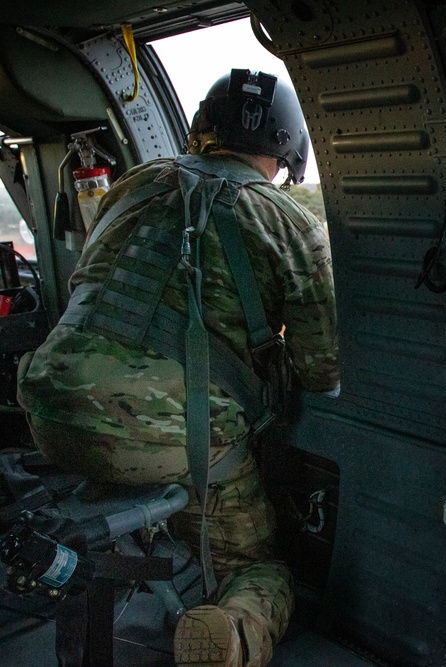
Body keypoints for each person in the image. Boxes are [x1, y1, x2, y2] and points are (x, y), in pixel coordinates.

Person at [17, 69, 338, 667]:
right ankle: (233, 631)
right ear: (288, 149)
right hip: (171, 439)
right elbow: (320, 369)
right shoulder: (290, 225)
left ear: (200, 131)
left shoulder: (132, 185)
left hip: (47, 405)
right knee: (260, 566)